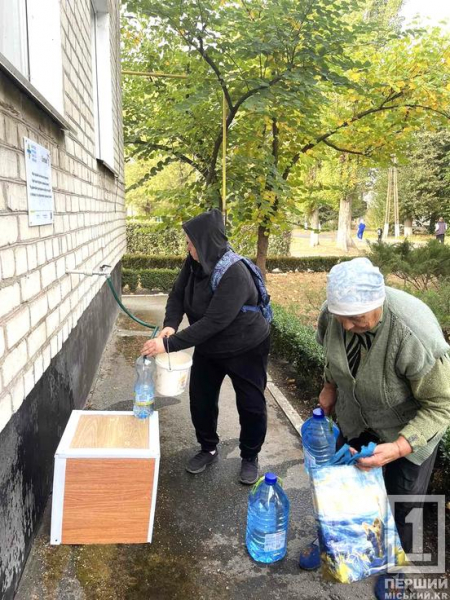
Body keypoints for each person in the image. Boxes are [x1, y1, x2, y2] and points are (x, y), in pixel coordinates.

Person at [299, 257, 450, 599]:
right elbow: (331, 355)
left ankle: (398, 571)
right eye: (343, 317)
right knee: (344, 488)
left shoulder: (413, 331)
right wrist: (329, 386)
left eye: (358, 318)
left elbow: (442, 405)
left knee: (401, 504)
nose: (349, 325)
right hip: (356, 418)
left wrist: (397, 448)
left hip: (407, 430)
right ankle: (337, 544)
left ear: (378, 302)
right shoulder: (333, 315)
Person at [141, 209, 270, 485]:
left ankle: (250, 455)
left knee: (250, 404)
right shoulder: (193, 263)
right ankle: (208, 447)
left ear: (205, 242)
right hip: (211, 347)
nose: (187, 247)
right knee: (201, 398)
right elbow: (176, 295)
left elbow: (213, 322)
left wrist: (168, 345)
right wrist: (170, 324)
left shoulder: (234, 272)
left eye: (190, 242)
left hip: (246, 345)